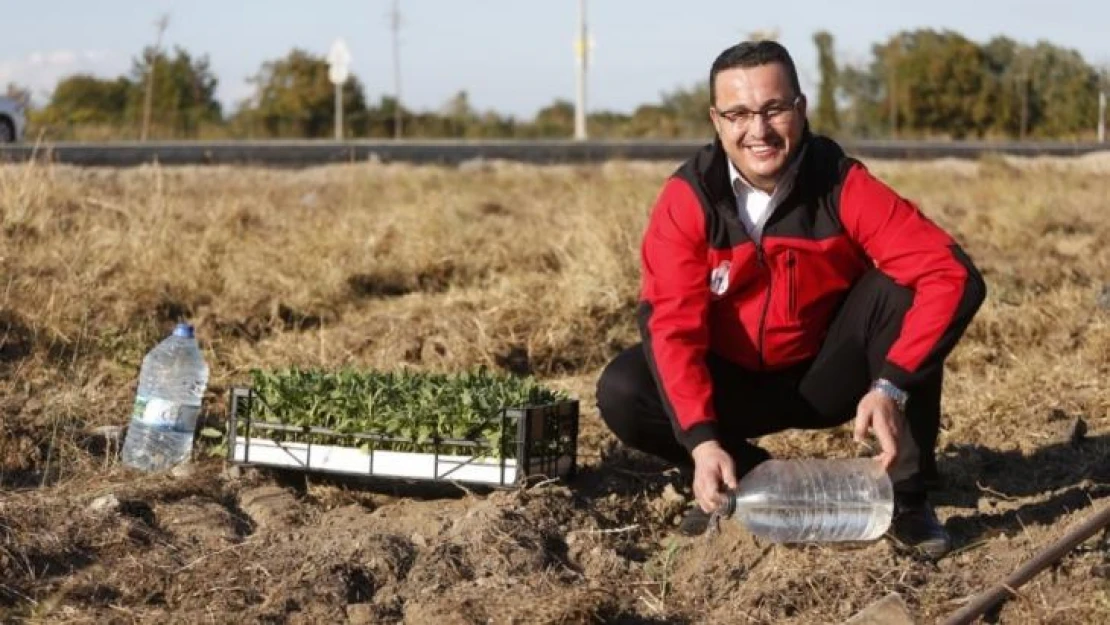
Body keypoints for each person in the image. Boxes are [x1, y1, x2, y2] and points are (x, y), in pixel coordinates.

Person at [596, 40, 986, 560]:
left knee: (902, 287)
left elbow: (951, 273)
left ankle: (907, 497)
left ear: (800, 110)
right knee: (624, 387)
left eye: (773, 109)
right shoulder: (687, 199)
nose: (757, 131)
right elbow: (672, 327)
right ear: (716, 120)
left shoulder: (840, 181)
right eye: (738, 114)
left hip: (828, 377)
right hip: (732, 386)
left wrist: (891, 385)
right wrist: (701, 442)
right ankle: (732, 470)